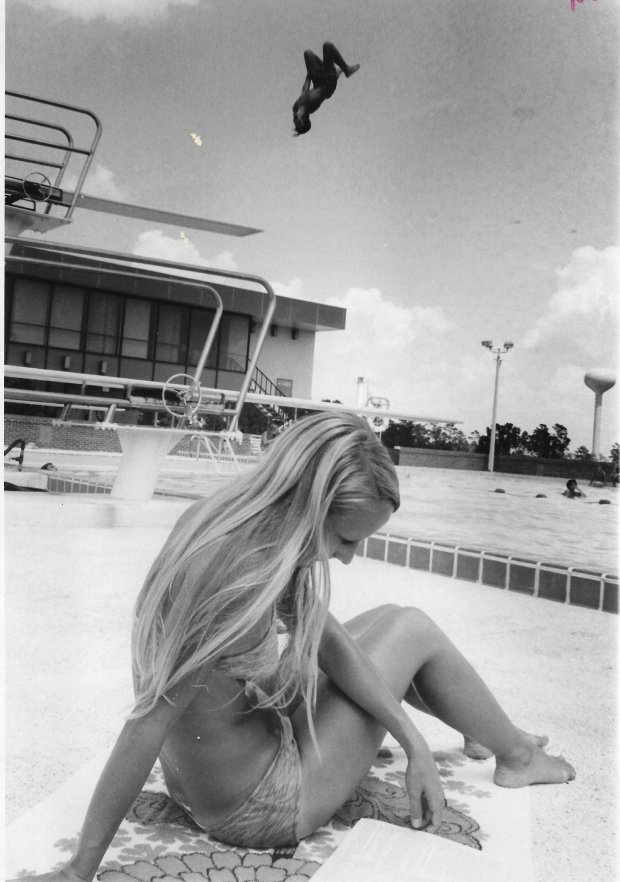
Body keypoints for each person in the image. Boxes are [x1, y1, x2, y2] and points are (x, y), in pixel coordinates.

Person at [16, 412, 574, 882]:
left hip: (218, 774)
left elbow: (327, 639)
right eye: (346, 539)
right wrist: (78, 870)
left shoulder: (234, 527)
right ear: (309, 504)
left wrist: (415, 744)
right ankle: (518, 756)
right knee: (413, 627)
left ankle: (489, 729)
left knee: (386, 620)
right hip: (261, 804)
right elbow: (148, 721)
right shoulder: (234, 573)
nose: (349, 557)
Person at [292, 42, 360, 135]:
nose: (295, 121)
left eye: (296, 124)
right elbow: (326, 90)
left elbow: (305, 90)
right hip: (328, 83)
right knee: (327, 47)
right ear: (304, 118)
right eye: (299, 122)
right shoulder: (312, 105)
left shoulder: (295, 107)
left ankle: (332, 68)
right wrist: (335, 74)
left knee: (307, 53)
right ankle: (346, 70)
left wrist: (310, 70)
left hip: (318, 81)